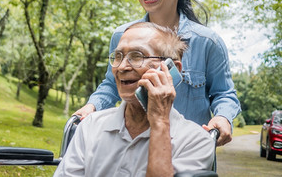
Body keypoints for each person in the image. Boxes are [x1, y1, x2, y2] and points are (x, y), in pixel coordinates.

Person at [75, 0, 241, 146]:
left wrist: (223, 117)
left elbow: (224, 93)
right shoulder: (123, 35)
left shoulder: (208, 42)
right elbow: (111, 84)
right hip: (133, 145)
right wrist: (91, 106)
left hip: (187, 148)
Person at [54, 23, 215, 176]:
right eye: (118, 56)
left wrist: (160, 122)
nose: (122, 67)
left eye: (137, 56)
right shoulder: (90, 126)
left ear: (171, 68)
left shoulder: (196, 142)